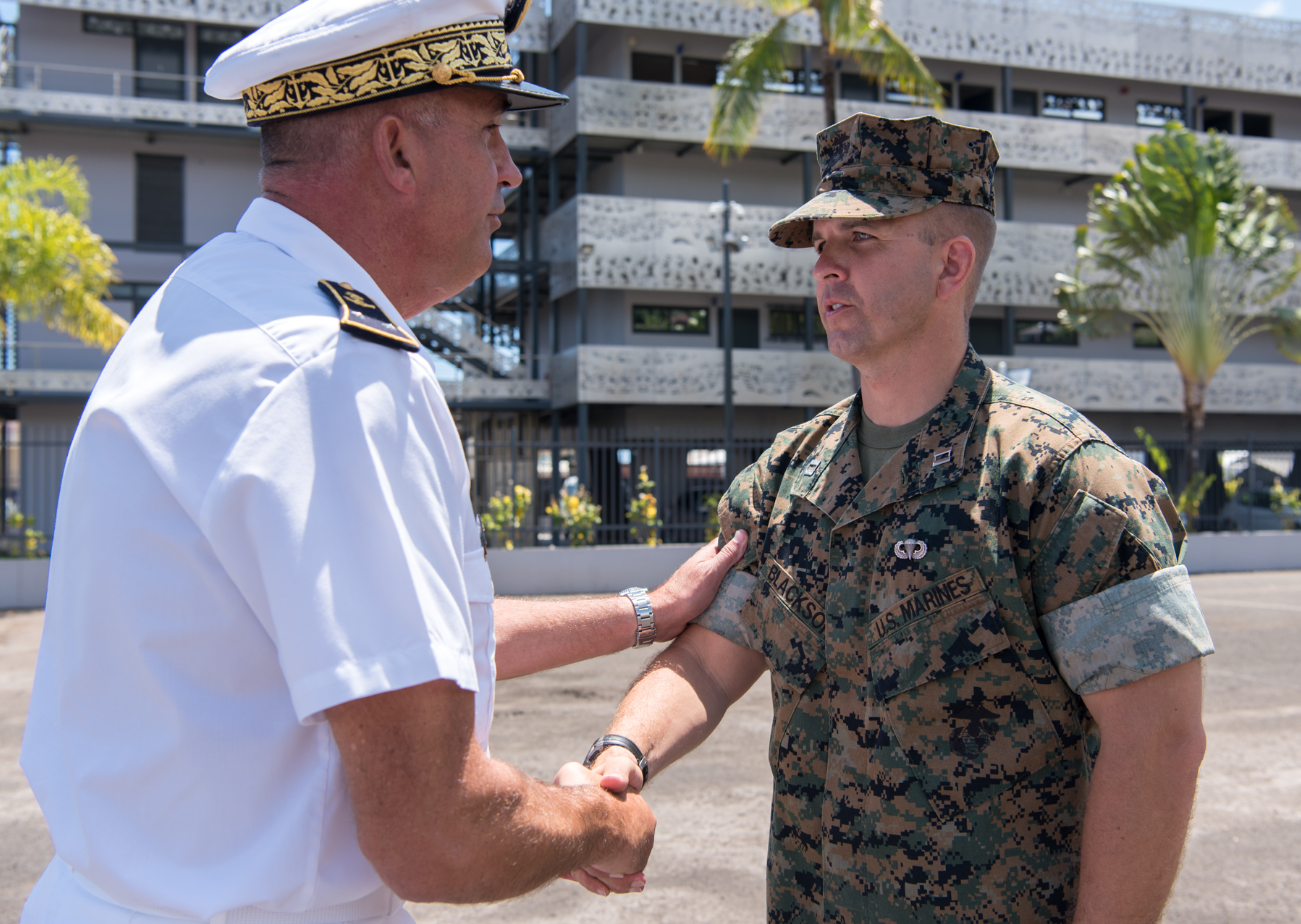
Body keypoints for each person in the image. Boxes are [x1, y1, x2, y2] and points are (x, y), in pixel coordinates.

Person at [18, 1, 746, 921]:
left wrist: (647, 612)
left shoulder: (212, 304)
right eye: (489, 134)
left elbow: (381, 647)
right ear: (398, 152)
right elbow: (434, 834)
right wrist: (604, 828)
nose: (511, 172)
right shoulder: (335, 372)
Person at [577, 113, 1215, 923]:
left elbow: (1158, 744)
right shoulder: (786, 477)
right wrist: (621, 755)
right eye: (820, 243)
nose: (827, 267)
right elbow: (711, 658)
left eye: (863, 239)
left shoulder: (1060, 482)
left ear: (952, 264)